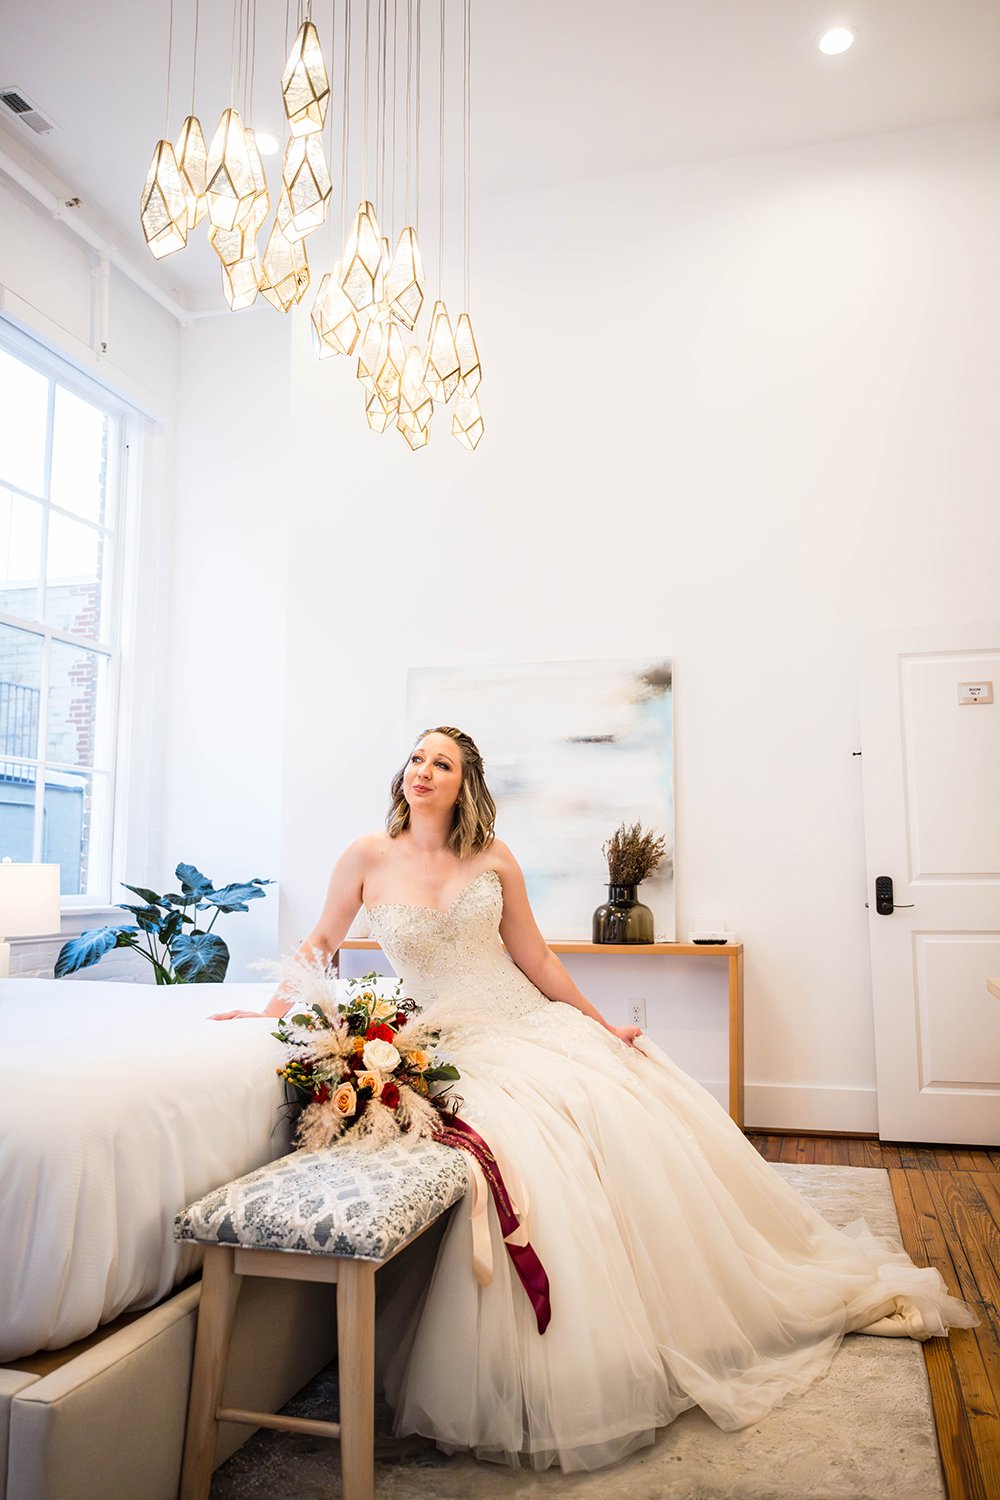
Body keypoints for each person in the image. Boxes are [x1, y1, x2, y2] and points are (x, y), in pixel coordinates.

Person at [213, 725, 976, 1474]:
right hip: (451, 1040)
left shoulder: (495, 857)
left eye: (440, 763)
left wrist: (596, 1021)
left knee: (611, 1107)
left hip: (524, 1019)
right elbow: (318, 945)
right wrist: (270, 1010)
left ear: (463, 783)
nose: (422, 771)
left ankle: (664, 1302)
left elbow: (535, 956)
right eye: (416, 757)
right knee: (519, 1141)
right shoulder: (366, 857)